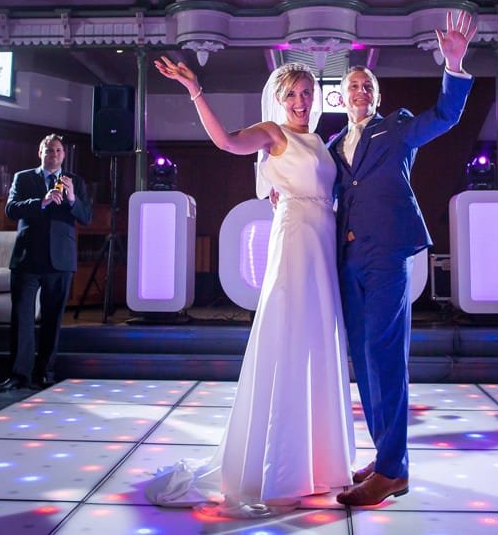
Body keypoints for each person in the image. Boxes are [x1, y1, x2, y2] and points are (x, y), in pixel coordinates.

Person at [145, 58, 354, 516]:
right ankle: (280, 468)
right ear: (278, 99)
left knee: (318, 344)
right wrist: (196, 91)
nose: (300, 101)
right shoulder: (272, 133)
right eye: (291, 94)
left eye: (307, 93)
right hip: (295, 242)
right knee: (289, 341)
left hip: (322, 245)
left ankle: (320, 465)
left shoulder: (321, 142)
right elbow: (225, 141)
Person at [330, 8, 477, 507]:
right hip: (347, 261)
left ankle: (393, 470)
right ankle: (385, 457)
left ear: (377, 95)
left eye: (367, 86)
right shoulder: (333, 145)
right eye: (353, 86)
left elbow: (446, 117)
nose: (360, 92)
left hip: (387, 256)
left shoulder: (397, 128)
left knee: (385, 355)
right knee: (363, 360)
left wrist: (453, 65)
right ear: (341, 96)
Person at [0, 134, 92, 391]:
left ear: (63, 155)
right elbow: (11, 209)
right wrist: (42, 202)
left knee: (52, 319)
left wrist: (71, 198)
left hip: (60, 259)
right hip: (27, 258)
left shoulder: (75, 181)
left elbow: (86, 217)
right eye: (48, 150)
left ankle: (45, 372)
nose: (53, 154)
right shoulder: (23, 178)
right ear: (40, 153)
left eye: (58, 150)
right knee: (22, 318)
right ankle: (19, 374)